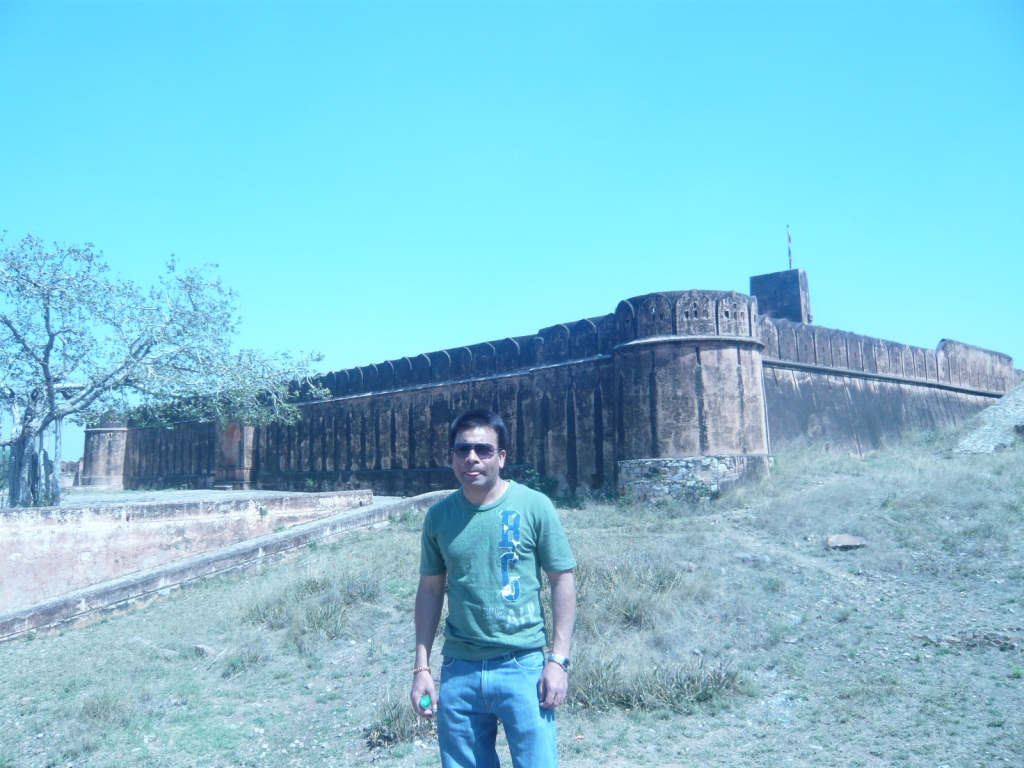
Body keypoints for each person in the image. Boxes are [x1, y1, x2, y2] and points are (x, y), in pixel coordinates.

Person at [410, 409, 577, 768]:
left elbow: (562, 579)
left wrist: (559, 661)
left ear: (501, 457)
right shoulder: (439, 517)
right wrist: (421, 669)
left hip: (523, 666)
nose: (471, 457)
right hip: (460, 670)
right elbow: (430, 590)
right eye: (462, 449)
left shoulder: (534, 506)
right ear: (451, 457)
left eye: (484, 449)